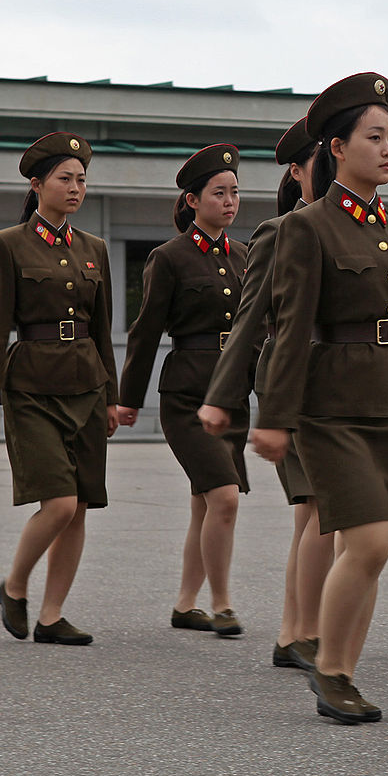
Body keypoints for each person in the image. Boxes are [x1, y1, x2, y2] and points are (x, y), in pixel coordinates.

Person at [252, 73, 388, 724]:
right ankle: (331, 668)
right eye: (376, 137)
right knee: (365, 540)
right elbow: (289, 332)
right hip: (329, 409)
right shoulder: (307, 228)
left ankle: (344, 671)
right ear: (337, 146)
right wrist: (275, 418)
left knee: (375, 545)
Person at [0, 133, 118, 646]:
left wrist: (114, 396)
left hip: (88, 385)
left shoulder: (94, 248)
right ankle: (14, 586)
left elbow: (103, 330)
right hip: (31, 385)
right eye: (64, 179)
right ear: (37, 185)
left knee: (79, 506)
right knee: (58, 502)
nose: (76, 188)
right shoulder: (7, 244)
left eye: (81, 180)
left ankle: (52, 615)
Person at [198, 118, 333, 669]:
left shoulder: (366, 227)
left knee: (314, 513)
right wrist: (224, 395)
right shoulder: (282, 230)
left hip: (345, 380)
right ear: (299, 171)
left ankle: (295, 630)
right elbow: (251, 317)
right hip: (294, 381)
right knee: (321, 509)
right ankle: (300, 631)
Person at [119, 145, 251, 637]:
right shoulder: (169, 257)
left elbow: (255, 330)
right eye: (219, 193)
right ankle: (222, 603)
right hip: (187, 395)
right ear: (193, 200)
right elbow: (145, 330)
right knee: (225, 496)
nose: (230, 201)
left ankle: (186, 603)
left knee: (206, 500)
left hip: (231, 390)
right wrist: (128, 399)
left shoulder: (243, 255)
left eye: (234, 192)